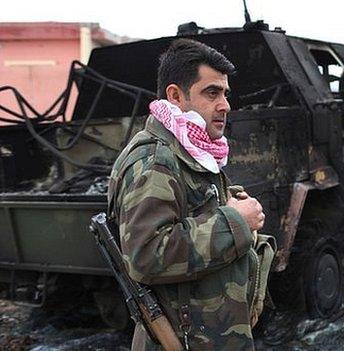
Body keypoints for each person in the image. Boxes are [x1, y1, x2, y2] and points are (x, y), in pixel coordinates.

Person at [108, 38, 275, 350]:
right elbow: (147, 255)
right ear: (176, 96)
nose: (224, 105)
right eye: (211, 93)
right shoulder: (156, 160)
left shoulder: (190, 151)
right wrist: (235, 222)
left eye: (225, 94)